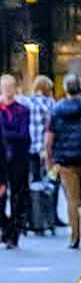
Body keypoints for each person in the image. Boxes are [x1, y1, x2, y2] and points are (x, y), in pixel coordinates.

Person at [46, 74, 81, 249]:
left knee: (72, 199)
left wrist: (49, 160)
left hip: (65, 163)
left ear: (65, 89)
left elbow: (49, 140)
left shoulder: (56, 111)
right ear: (80, 88)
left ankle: (74, 237)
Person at [0, 76, 31, 248]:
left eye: (10, 86)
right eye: (5, 86)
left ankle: (13, 232)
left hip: (18, 156)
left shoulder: (22, 110)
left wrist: (6, 134)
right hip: (2, 157)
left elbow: (23, 134)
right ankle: (5, 227)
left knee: (18, 196)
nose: (8, 90)